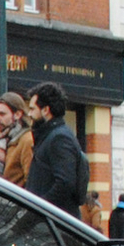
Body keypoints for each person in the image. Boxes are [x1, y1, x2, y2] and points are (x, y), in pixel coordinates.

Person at [23, 83, 88, 217]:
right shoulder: (51, 136)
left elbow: (65, 183)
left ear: (46, 110)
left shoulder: (59, 138)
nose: (29, 114)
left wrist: (38, 208)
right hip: (49, 222)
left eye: (32, 109)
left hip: (53, 225)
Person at [0, 91, 32, 188]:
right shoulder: (3, 140)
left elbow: (30, 181)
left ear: (17, 114)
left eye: (2, 114)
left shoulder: (27, 140)